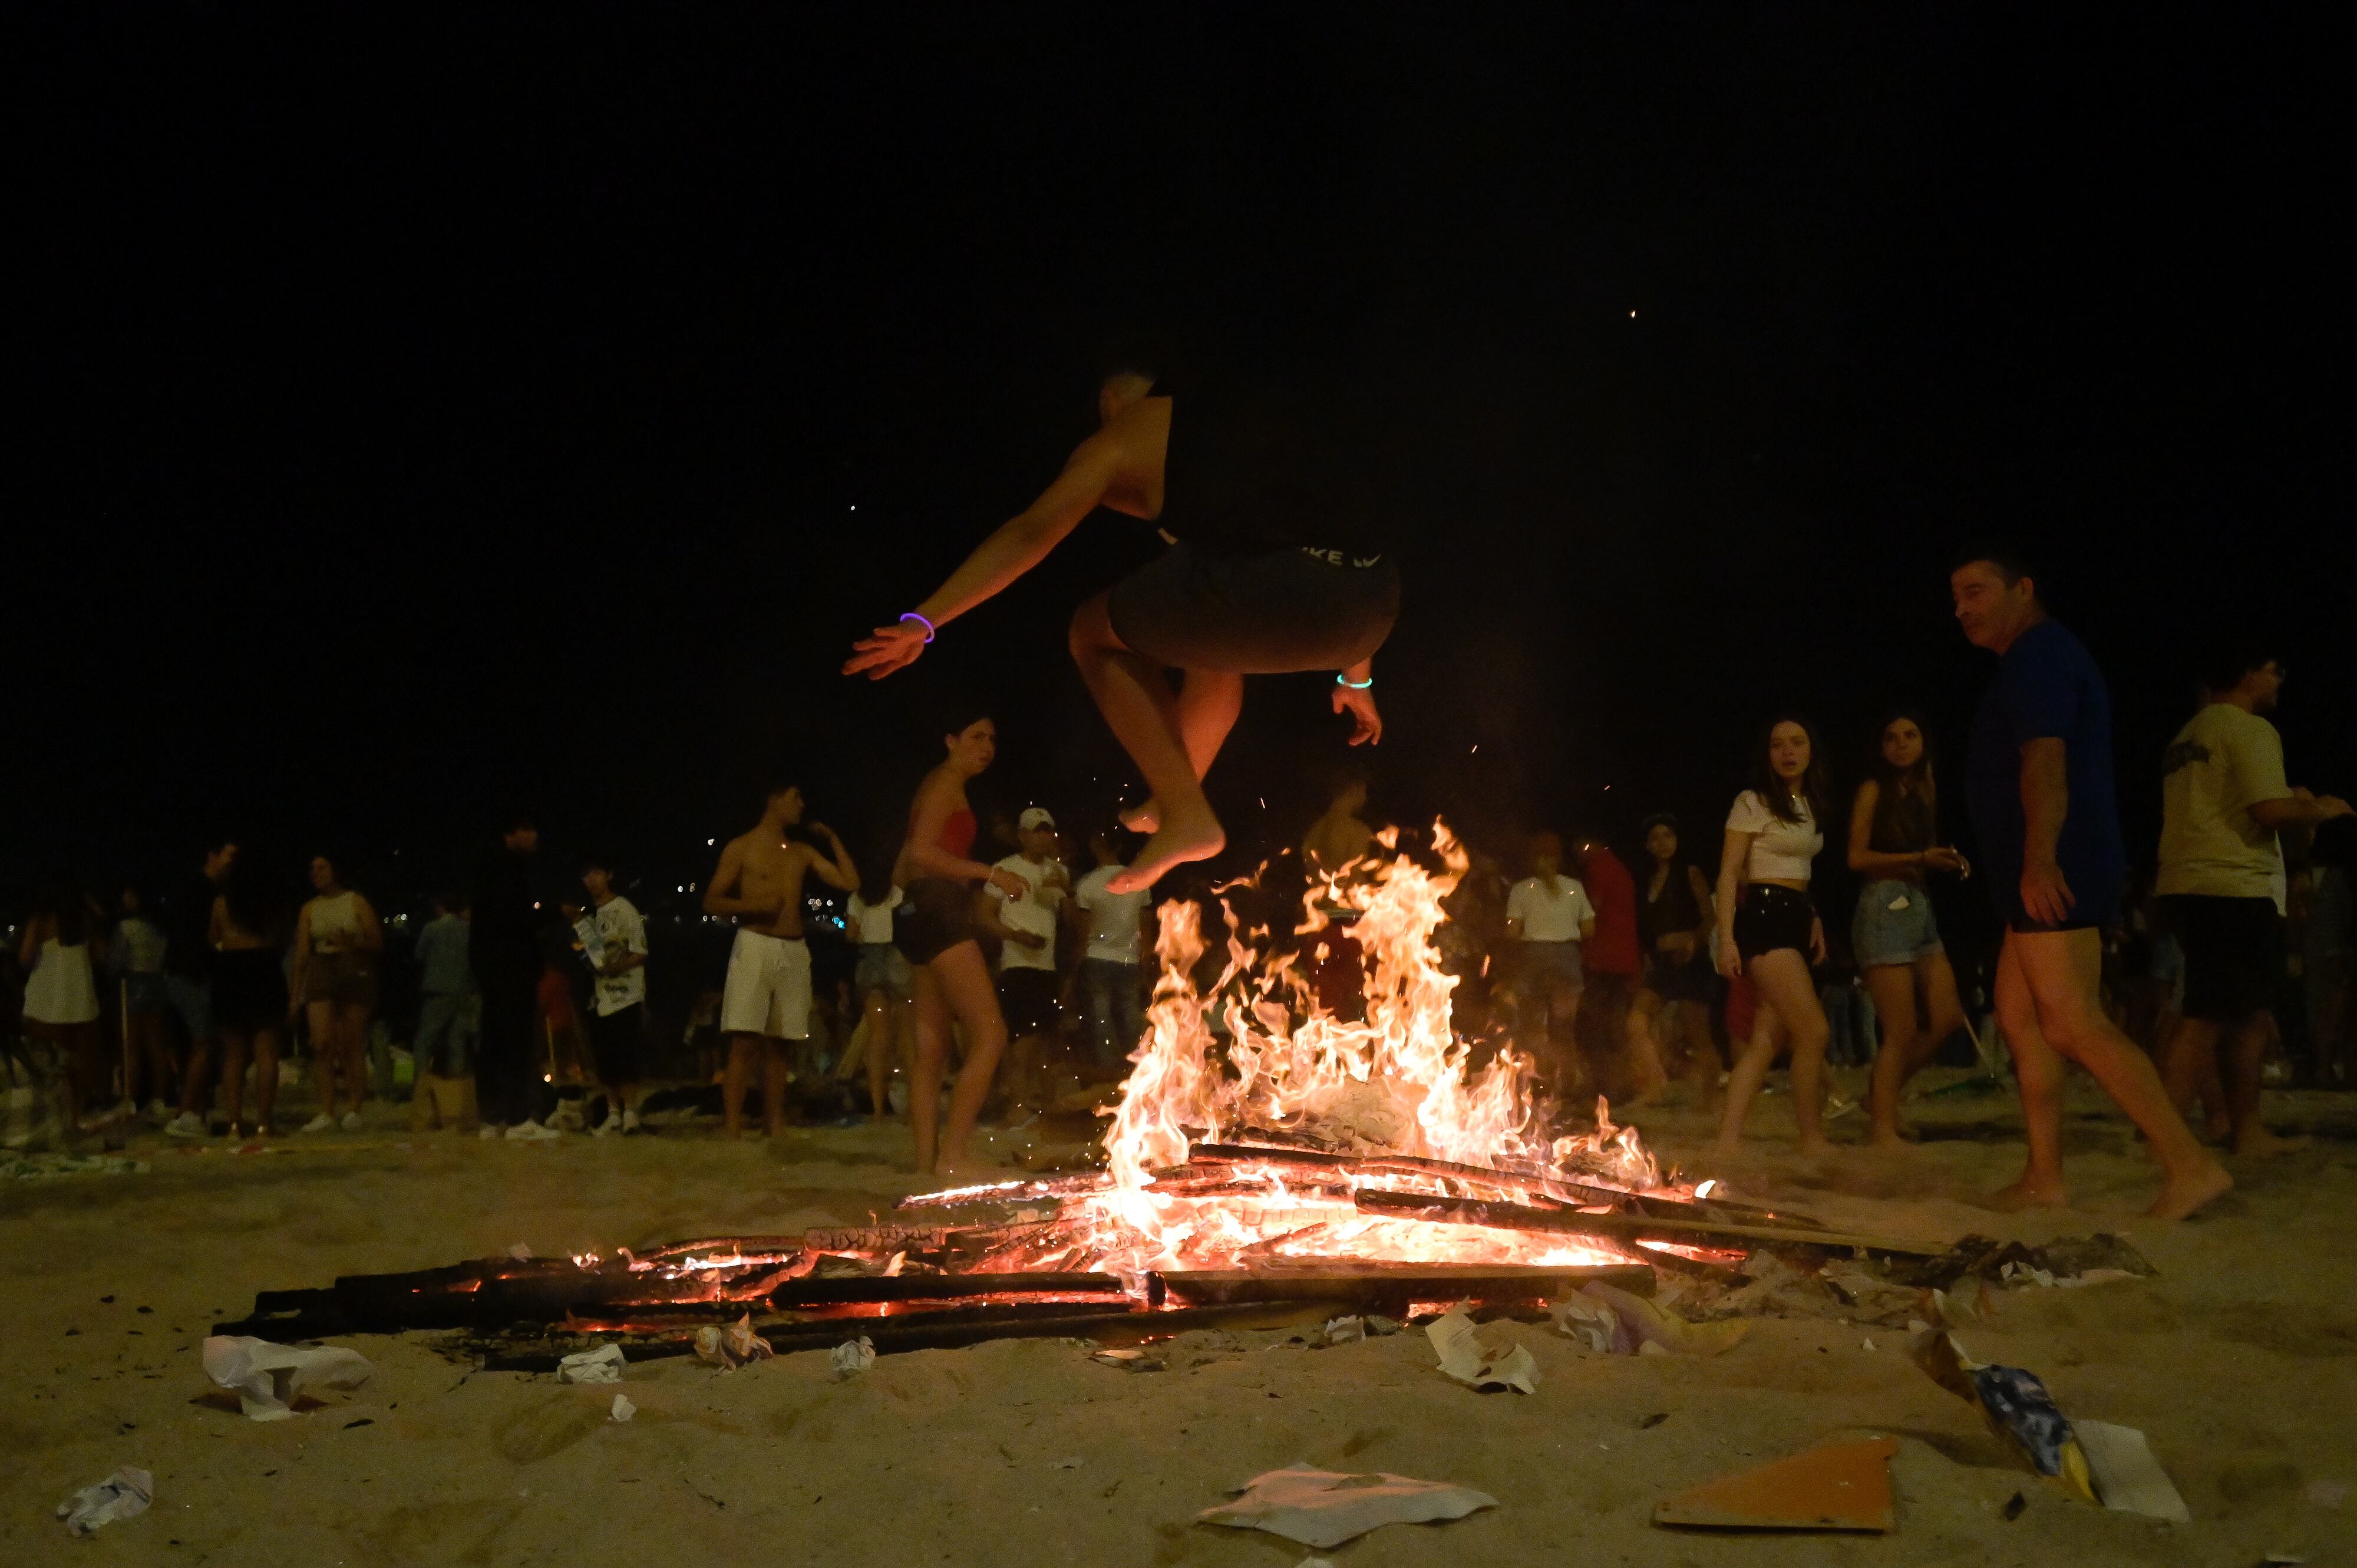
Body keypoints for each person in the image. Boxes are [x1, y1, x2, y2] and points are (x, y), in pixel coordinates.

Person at [846, 356, 1399, 893]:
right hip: (1371, 608)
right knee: (1208, 641)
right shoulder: (1243, 431)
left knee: (1092, 632)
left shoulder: (1124, 434)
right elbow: (1340, 526)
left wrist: (925, 619)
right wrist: (1357, 676)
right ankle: (1176, 798)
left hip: (1290, 590)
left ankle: (1185, 811)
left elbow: (1031, 532)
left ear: (1111, 400)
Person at [1952, 544, 2230, 1219]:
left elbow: (2045, 762)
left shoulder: (2039, 656)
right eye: (1955, 598)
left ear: (2023, 588)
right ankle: (2044, 1177)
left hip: (2057, 867)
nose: (1961, 609)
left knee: (2075, 1021)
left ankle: (2190, 1165)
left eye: (1976, 591)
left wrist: (2040, 858)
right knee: (2020, 1019)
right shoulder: (2033, 658)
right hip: (2034, 872)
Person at [2155, 648, 2351, 1155]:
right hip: (2232, 886)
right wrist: (2320, 808)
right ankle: (2164, 1137)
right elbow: (2268, 810)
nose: (2280, 677)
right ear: (2247, 673)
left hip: (2185, 881)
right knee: (2207, 1018)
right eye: (2273, 668)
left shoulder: (2187, 735)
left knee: (2244, 1014)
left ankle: (2246, 1129)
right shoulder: (2249, 729)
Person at [890, 714, 1032, 1174]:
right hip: (939, 912)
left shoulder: (936, 785)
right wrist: (990, 873)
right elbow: (922, 853)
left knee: (930, 1048)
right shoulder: (945, 784)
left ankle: (927, 1160)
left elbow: (901, 868)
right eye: (977, 737)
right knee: (990, 1034)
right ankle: (952, 1156)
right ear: (951, 740)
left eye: (993, 737)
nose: (987, 746)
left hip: (917, 913)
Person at [702, 779, 859, 1138]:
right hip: (755, 942)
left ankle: (775, 1123)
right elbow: (712, 901)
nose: (802, 805)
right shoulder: (742, 847)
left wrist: (833, 839)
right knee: (744, 1039)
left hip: (794, 948)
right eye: (795, 797)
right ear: (774, 800)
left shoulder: (801, 851)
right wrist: (753, 907)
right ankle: (732, 1126)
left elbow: (849, 881)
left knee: (781, 1042)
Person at [1847, 711, 1973, 1148]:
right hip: (1883, 905)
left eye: (1910, 735)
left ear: (1924, 741)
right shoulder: (1873, 789)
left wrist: (1944, 858)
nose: (1901, 744)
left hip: (1919, 905)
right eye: (1891, 737)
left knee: (1947, 1017)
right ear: (1881, 747)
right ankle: (1882, 1127)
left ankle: (1879, 1098)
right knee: (1899, 1030)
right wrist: (1921, 858)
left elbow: (1923, 848)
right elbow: (1856, 858)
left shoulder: (1925, 784)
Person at [1713, 717, 1835, 1156]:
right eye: (1777, 744)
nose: (1788, 752)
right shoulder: (1752, 802)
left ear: (1811, 749)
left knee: (1768, 1038)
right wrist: (1727, 938)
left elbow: (1800, 871)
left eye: (1797, 742)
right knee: (1815, 1031)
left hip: (1795, 914)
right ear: (1766, 755)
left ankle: (1727, 1139)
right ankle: (1812, 1138)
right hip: (1763, 916)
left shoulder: (1809, 802)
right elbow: (1729, 874)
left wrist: (1813, 914)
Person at [978, 806, 1072, 1110]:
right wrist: (1015, 935)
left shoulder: (1057, 872)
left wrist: (1066, 891)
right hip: (1017, 964)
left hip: (1047, 965)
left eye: (1048, 831)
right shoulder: (1005, 869)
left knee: (1045, 1041)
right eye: (1037, 831)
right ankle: (1016, 1107)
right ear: (1023, 836)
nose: (1045, 837)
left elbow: (1070, 920)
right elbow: (983, 916)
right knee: (1020, 1040)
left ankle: (1043, 1107)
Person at [471, 812, 555, 1140]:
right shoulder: (509, 869)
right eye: (529, 828)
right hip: (511, 970)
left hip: (492, 971)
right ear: (512, 834)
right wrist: (552, 913)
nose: (535, 835)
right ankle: (520, 1120)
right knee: (517, 1044)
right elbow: (515, 919)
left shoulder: (487, 869)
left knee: (494, 1044)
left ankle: (492, 1120)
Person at [291, 853, 383, 1133]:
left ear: (336, 871)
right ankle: (326, 1111)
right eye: (312, 869)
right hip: (321, 967)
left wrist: (352, 941)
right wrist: (295, 994)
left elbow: (377, 942)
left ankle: (355, 1108)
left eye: (322, 868)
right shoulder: (309, 909)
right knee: (321, 1043)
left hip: (353, 967)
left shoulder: (355, 901)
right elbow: (302, 954)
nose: (316, 873)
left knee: (351, 1043)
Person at [1632, 814, 1719, 1095]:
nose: (1663, 843)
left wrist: (1694, 939)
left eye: (1668, 836)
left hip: (1691, 962)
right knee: (1635, 1022)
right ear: (1647, 845)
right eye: (1656, 838)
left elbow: (1710, 917)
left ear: (1678, 840)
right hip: (1662, 964)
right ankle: (1657, 1086)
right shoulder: (1648, 880)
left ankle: (1709, 1100)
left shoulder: (1690, 873)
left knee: (1699, 1036)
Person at [1505, 831, 1596, 1092]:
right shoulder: (1574, 887)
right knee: (1564, 1028)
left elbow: (1513, 930)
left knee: (1533, 1024)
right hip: (1567, 956)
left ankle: (1536, 1084)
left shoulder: (1521, 889)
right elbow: (1589, 928)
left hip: (1533, 957)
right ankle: (1565, 1085)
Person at [1574, 834, 1662, 1101]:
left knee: (1597, 1025)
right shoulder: (1620, 867)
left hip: (1605, 959)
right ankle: (1619, 1086)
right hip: (1624, 958)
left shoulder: (1599, 868)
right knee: (1614, 1024)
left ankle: (1609, 1088)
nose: (1578, 852)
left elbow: (1593, 909)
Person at [17, 883, 107, 1133]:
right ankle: (76, 1117)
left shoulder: (41, 920)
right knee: (79, 1066)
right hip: (80, 1000)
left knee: (48, 1067)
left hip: (46, 1001)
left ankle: (52, 1120)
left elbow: (25, 958)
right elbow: (101, 956)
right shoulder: (85, 920)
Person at [163, 840, 237, 1138]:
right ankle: (187, 1113)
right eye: (230, 857)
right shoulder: (202, 890)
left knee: (198, 1042)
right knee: (205, 1040)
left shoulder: (196, 888)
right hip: (190, 974)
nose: (234, 864)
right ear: (213, 855)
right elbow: (197, 937)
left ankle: (195, 1110)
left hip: (185, 972)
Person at [210, 858, 288, 1141]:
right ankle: (264, 1124)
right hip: (264, 967)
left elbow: (214, 937)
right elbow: (280, 938)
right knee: (266, 1052)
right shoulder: (270, 903)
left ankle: (234, 1123)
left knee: (234, 1053)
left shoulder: (222, 902)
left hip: (231, 970)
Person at [577, 855, 651, 1137]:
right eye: (586, 875)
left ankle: (630, 1112)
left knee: (626, 1056)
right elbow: (586, 954)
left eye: (596, 873)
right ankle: (612, 1114)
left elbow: (641, 952)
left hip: (626, 995)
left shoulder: (624, 910)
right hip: (599, 998)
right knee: (604, 1059)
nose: (591, 880)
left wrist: (615, 968)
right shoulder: (588, 916)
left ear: (609, 875)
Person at [1074, 830, 1152, 1068]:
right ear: (1119, 847)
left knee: (1101, 1015)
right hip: (1129, 957)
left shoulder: (1087, 884)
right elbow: (1146, 927)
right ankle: (1137, 1065)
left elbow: (1083, 931)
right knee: (1130, 1014)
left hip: (1097, 956)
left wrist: (1075, 962)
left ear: (1095, 847)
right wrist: (1146, 958)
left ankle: (1107, 1066)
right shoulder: (1139, 883)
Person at [840, 864, 913, 1119]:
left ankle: (878, 1108)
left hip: (870, 961)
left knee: (877, 1038)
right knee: (906, 1034)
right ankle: (912, 1104)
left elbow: (851, 934)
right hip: (895, 957)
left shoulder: (857, 899)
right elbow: (910, 926)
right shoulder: (899, 894)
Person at [410, 889, 477, 1133]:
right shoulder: (469, 930)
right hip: (462, 991)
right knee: (457, 1042)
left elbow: (419, 955)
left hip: (437, 991)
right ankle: (456, 1103)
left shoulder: (433, 928)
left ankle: (423, 1096)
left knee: (424, 1042)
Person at [110, 884, 174, 1123]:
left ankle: (131, 1098)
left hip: (133, 984)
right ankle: (160, 1097)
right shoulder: (158, 928)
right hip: (157, 984)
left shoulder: (125, 928)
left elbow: (115, 962)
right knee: (156, 1045)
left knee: (132, 1045)